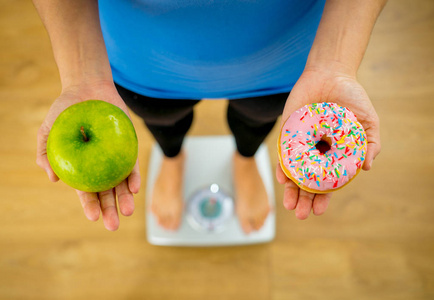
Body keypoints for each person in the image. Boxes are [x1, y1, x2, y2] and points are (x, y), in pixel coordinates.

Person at [34, 0, 384, 233]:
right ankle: (172, 157)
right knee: (161, 119)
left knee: (259, 119)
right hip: (143, 59)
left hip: (291, 62)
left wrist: (335, 64)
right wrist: (82, 74)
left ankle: (245, 158)